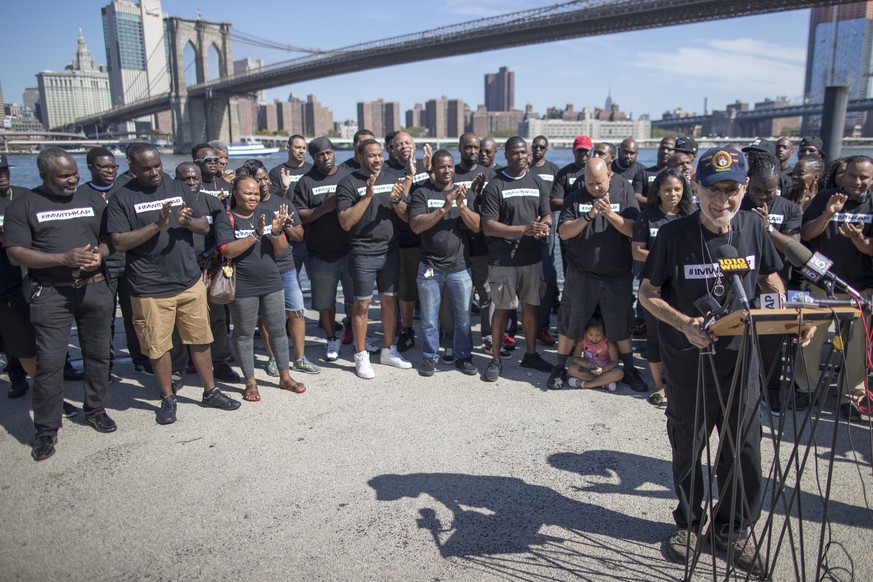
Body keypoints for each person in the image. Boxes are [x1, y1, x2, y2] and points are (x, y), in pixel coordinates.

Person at [638, 147, 791, 575]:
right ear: (697, 189)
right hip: (689, 360)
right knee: (688, 447)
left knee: (743, 450)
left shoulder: (752, 228)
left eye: (732, 189)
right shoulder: (673, 234)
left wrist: (784, 311)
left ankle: (730, 530)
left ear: (745, 189)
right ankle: (689, 524)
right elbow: (647, 293)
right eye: (713, 190)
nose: (723, 200)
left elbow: (770, 276)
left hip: (741, 360)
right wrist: (684, 321)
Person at [106, 143, 240, 425]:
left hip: (188, 280)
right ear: (132, 166)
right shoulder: (121, 197)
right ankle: (168, 398)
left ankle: (210, 390)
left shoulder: (178, 187)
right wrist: (157, 224)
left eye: (157, 165)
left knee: (200, 339)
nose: (154, 172)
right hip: (149, 286)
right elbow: (118, 242)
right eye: (146, 168)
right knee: (158, 346)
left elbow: (204, 226)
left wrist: (187, 221)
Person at [4, 148, 116, 461]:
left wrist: (101, 254)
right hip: (51, 292)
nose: (72, 180)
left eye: (74, 174)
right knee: (50, 364)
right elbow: (16, 253)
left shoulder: (91, 199)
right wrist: (61, 259)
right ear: (44, 176)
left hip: (94, 289)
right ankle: (46, 429)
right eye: (64, 176)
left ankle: (95, 410)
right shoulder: (23, 205)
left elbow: (110, 238)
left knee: (97, 356)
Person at [546, 157, 646, 393]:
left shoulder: (624, 192)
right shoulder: (575, 197)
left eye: (599, 183)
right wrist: (589, 215)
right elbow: (563, 232)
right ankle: (559, 366)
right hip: (582, 273)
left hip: (616, 274)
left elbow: (634, 229)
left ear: (609, 175)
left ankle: (629, 368)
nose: (595, 188)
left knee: (620, 323)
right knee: (571, 321)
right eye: (590, 183)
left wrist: (609, 214)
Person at [795, 155, 873, 421]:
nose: (857, 182)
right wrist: (828, 214)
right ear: (844, 174)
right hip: (821, 284)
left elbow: (871, 249)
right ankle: (805, 388)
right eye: (852, 175)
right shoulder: (826, 197)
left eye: (864, 177)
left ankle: (851, 396)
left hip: (860, 288)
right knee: (810, 340)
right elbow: (806, 235)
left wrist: (857, 238)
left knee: (855, 347)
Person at [215, 175, 306, 400]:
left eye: (256, 193)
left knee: (278, 330)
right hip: (243, 285)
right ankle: (250, 382)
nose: (253, 197)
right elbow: (227, 250)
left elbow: (282, 251)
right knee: (244, 334)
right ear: (235, 193)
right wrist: (256, 234)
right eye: (248, 193)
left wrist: (275, 232)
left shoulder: (266, 216)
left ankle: (285, 377)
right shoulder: (226, 219)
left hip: (272, 281)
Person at [336, 139, 413, 379]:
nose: (377, 160)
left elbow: (405, 214)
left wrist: (398, 199)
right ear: (360, 157)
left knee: (390, 302)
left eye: (380, 155)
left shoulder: (391, 176)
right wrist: (368, 195)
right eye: (371, 156)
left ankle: (388, 351)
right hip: (362, 253)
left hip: (390, 251)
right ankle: (361, 357)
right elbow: (346, 222)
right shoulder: (348, 183)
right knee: (362, 306)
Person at [479, 136, 553, 382]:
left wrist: (544, 226)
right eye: (515, 153)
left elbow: (547, 215)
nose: (520, 156)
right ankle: (496, 359)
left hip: (532, 258)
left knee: (531, 307)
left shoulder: (538, 182)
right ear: (506, 155)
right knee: (501, 309)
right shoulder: (495, 184)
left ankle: (531, 354)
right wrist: (524, 229)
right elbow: (488, 226)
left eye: (524, 152)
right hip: (503, 260)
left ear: (529, 153)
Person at [242, 159, 318, 376]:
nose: (263, 183)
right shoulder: (245, 207)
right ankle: (274, 357)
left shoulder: (281, 202)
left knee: (296, 311)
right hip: (260, 271)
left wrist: (286, 226)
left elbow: (300, 235)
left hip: (285, 267)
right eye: (257, 180)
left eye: (265, 178)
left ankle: (300, 358)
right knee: (266, 318)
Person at [409, 149, 480, 377]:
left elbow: (477, 226)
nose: (447, 170)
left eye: (450, 166)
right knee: (429, 319)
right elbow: (416, 226)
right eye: (442, 166)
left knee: (463, 318)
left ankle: (463, 356)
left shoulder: (464, 193)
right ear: (434, 168)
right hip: (430, 266)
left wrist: (461, 206)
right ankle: (430, 357)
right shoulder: (422, 193)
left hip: (460, 267)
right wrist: (443, 208)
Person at [741, 152, 802, 415]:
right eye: (757, 189)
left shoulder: (789, 208)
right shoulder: (735, 204)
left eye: (770, 190)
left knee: (771, 344)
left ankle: (772, 391)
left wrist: (767, 228)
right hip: (742, 284)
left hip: (773, 283)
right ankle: (742, 390)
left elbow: (794, 248)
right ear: (747, 182)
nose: (763, 195)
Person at [167, 162, 239, 385]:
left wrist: (208, 257)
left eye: (194, 178)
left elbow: (223, 234)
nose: (190, 183)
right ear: (175, 180)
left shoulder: (212, 202)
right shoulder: (167, 204)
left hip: (208, 269)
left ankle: (219, 362)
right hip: (177, 272)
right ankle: (177, 368)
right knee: (178, 323)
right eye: (185, 179)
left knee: (216, 319)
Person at [631, 169, 696, 406]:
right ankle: (659, 385)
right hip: (654, 288)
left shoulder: (691, 216)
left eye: (677, 189)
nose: (672, 194)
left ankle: (681, 383)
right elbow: (637, 251)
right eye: (667, 189)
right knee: (655, 337)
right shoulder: (647, 217)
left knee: (684, 334)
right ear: (658, 191)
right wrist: (666, 259)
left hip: (682, 287)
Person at [293, 137, 354, 362]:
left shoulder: (347, 175)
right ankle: (331, 338)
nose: (326, 157)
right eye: (320, 154)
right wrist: (322, 209)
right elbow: (299, 213)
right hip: (319, 253)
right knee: (325, 303)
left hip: (350, 250)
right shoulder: (306, 182)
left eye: (329, 152)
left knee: (354, 300)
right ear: (313, 157)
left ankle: (356, 335)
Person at [454, 133, 500, 353]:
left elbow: (496, 208)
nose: (473, 152)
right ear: (460, 148)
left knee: (486, 293)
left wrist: (479, 195)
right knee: (457, 294)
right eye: (468, 147)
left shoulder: (491, 175)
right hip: (455, 244)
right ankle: (452, 335)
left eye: (476, 148)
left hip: (483, 244)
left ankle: (488, 335)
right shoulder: (450, 172)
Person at [386, 131, 429, 355]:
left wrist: (429, 170)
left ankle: (437, 332)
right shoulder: (387, 171)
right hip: (403, 239)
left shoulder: (426, 165)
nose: (404, 146)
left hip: (429, 239)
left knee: (432, 289)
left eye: (407, 142)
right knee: (406, 292)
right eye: (398, 144)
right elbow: (398, 202)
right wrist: (410, 177)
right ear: (392, 149)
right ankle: (408, 330)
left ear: (414, 145)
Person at [0, 153, 38, 400]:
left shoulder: (24, 195)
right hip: (3, 280)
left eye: (5, 170)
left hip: (26, 275)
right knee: (11, 335)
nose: (2, 176)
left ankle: (55, 376)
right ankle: (17, 379)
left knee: (37, 328)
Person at [565, 317, 622, 390]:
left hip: (605, 371)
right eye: (590, 334)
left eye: (598, 335)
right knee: (571, 369)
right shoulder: (582, 340)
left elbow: (615, 362)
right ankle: (603, 383)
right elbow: (575, 358)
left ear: (604, 333)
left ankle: (587, 384)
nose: (594, 338)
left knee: (619, 373)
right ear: (585, 332)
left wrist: (604, 369)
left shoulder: (608, 342)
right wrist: (586, 364)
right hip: (588, 371)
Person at [612, 137, 647, 207]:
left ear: (637, 154)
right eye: (625, 152)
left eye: (632, 153)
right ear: (619, 151)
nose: (628, 156)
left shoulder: (643, 171)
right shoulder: (609, 167)